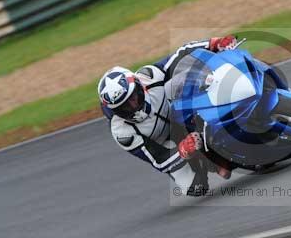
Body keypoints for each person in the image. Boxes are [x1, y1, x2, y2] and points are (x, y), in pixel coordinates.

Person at [97, 36, 238, 196]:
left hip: (180, 114)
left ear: (139, 86)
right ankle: (209, 161)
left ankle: (229, 100)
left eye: (133, 98)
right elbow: (158, 160)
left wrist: (213, 43)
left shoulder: (148, 76)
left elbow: (179, 55)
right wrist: (183, 150)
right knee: (196, 188)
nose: (132, 106)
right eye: (124, 107)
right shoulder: (122, 132)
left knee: (184, 78)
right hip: (168, 144)